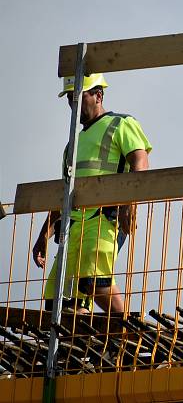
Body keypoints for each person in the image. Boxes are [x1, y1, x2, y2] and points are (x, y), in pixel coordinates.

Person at [32, 73, 152, 313]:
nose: (73, 104)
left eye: (78, 96)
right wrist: (45, 233)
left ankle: (126, 331)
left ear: (98, 96)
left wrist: (130, 206)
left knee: (94, 281)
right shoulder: (72, 145)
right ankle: (89, 344)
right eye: (69, 98)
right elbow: (65, 192)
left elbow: (141, 163)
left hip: (105, 219)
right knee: (61, 301)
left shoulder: (121, 124)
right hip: (73, 226)